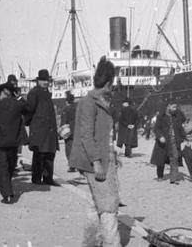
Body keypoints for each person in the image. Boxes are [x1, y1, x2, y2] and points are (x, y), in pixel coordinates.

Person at [69, 56, 122, 246]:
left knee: (94, 206)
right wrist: (97, 161)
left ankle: (90, 243)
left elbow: (102, 135)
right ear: (108, 83)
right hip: (96, 162)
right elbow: (86, 135)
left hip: (99, 158)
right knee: (108, 208)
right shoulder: (89, 102)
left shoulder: (94, 101)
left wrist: (112, 154)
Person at [0, 82, 29, 204]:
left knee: (2, 167)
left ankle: (7, 193)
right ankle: (5, 185)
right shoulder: (18, 104)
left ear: (1, 93)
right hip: (14, 142)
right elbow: (28, 108)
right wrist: (19, 97)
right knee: (10, 166)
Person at [26, 69, 59, 186]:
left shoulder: (46, 93)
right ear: (38, 81)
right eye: (43, 80)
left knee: (50, 154)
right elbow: (29, 110)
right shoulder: (34, 93)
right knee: (39, 154)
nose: (46, 82)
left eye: (47, 80)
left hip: (49, 130)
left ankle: (48, 178)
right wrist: (31, 125)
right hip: (39, 129)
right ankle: (36, 178)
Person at [150, 102, 186, 184]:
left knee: (175, 158)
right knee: (161, 160)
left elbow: (180, 128)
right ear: (168, 106)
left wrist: (184, 137)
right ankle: (160, 176)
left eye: (176, 107)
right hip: (163, 142)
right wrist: (160, 137)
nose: (175, 109)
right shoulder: (160, 117)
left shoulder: (177, 116)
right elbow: (156, 129)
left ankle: (173, 178)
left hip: (174, 141)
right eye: (173, 107)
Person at [60, 91, 77, 172]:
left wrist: (60, 134)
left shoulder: (66, 109)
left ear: (66, 101)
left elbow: (63, 121)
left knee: (69, 148)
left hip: (69, 131)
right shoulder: (77, 108)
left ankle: (72, 165)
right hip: (77, 130)